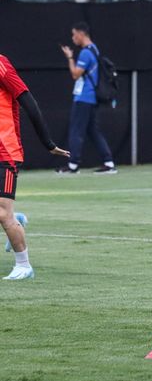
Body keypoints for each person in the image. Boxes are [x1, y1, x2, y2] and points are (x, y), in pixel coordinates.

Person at [0, 53, 69, 279]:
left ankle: (23, 265)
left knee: (2, 213)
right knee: (5, 213)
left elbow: (28, 100)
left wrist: (47, 143)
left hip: (5, 152)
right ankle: (15, 218)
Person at [57, 22, 116, 174]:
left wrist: (70, 58)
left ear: (81, 34)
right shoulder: (94, 49)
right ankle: (108, 163)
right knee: (93, 131)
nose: (73, 38)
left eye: (74, 34)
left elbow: (75, 74)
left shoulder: (85, 53)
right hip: (92, 98)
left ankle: (73, 165)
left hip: (84, 97)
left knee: (76, 130)